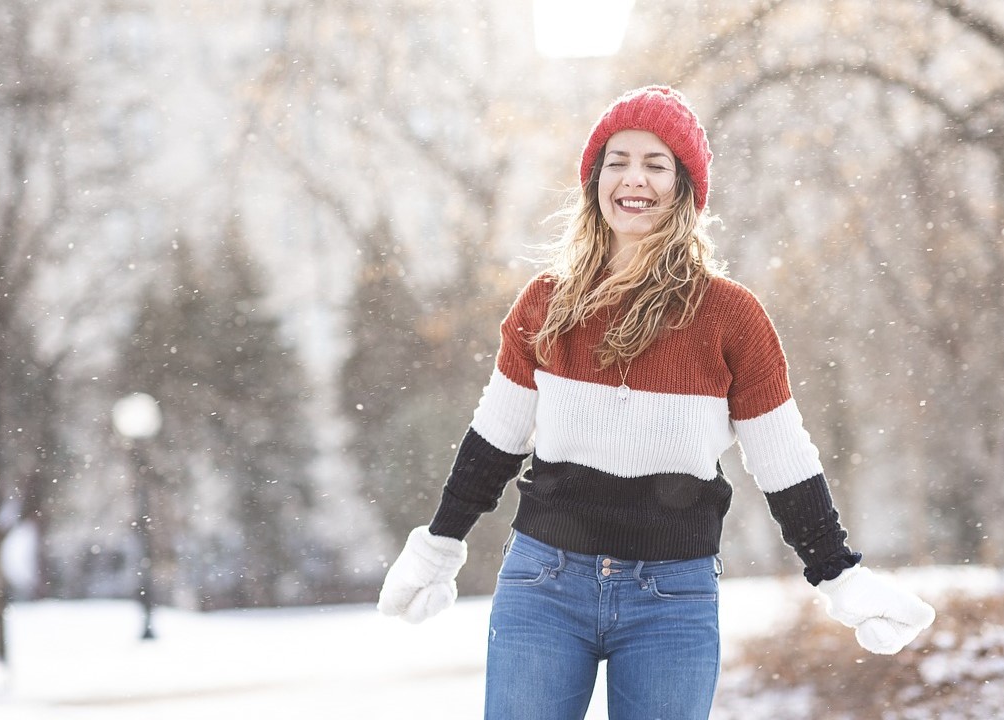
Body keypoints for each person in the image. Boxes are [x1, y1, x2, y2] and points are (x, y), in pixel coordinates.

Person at [378, 85, 935, 719]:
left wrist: (839, 573)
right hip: (544, 585)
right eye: (617, 161)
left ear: (684, 188)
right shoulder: (546, 304)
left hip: (672, 596)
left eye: (655, 163)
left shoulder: (731, 318)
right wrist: (438, 545)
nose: (633, 178)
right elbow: (495, 439)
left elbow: (783, 460)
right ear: (594, 181)